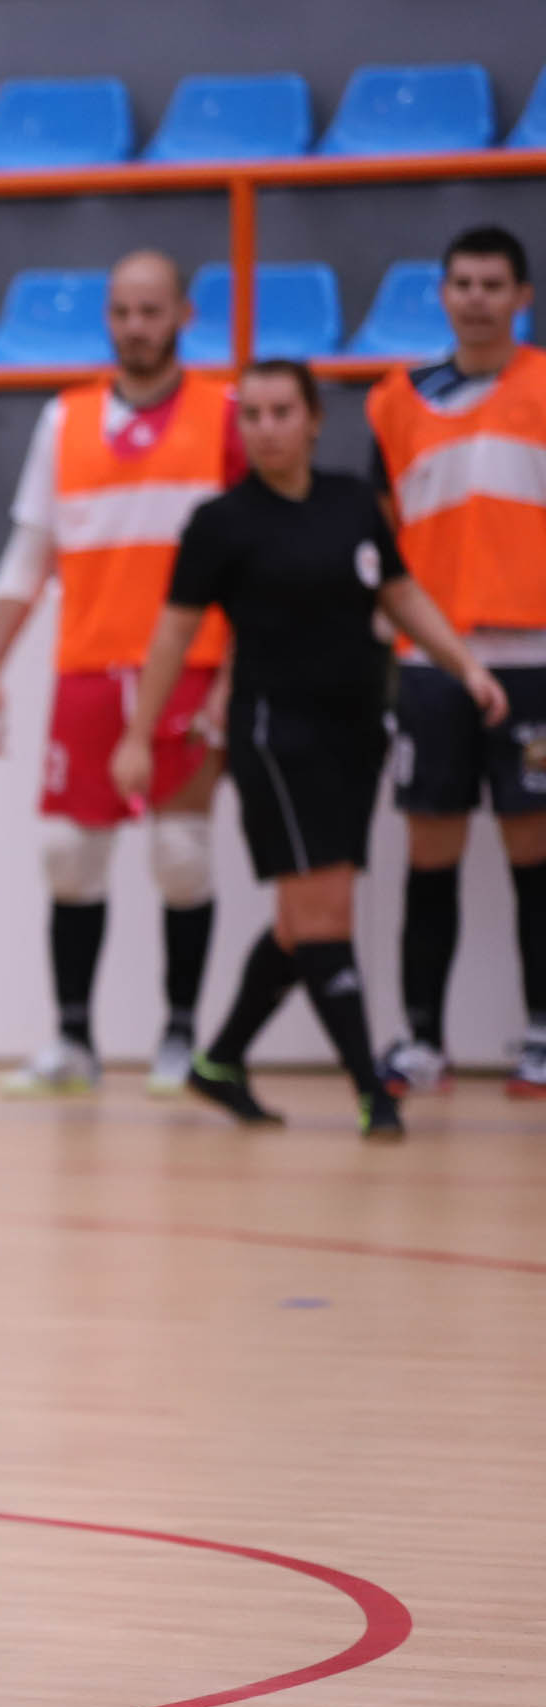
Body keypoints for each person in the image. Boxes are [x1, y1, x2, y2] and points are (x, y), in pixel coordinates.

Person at [115, 359, 506, 1137]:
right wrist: (137, 736)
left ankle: (219, 1059)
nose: (265, 429)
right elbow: (173, 634)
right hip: (275, 739)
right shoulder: (220, 523)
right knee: (324, 912)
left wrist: (464, 664)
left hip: (356, 734)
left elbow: (399, 594)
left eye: (280, 413)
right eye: (251, 416)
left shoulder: (353, 505)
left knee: (301, 923)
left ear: (312, 419)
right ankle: (373, 1091)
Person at [0, 249, 242, 1099]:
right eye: (123, 311)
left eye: (152, 311)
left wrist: (236, 673)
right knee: (68, 855)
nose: (136, 327)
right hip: (88, 665)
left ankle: (180, 1036)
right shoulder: (64, 421)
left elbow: (252, 557)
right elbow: (29, 555)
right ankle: (75, 1041)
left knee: (180, 854)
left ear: (183, 317)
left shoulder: (227, 416)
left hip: (192, 667)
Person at [366, 225, 546, 1099]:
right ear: (441, 295)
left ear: (523, 298)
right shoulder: (394, 402)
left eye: (493, 284)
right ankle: (423, 1038)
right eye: (461, 283)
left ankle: (542, 1034)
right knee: (429, 851)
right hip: (431, 660)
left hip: (533, 656)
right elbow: (376, 534)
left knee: (533, 851)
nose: (475, 298)